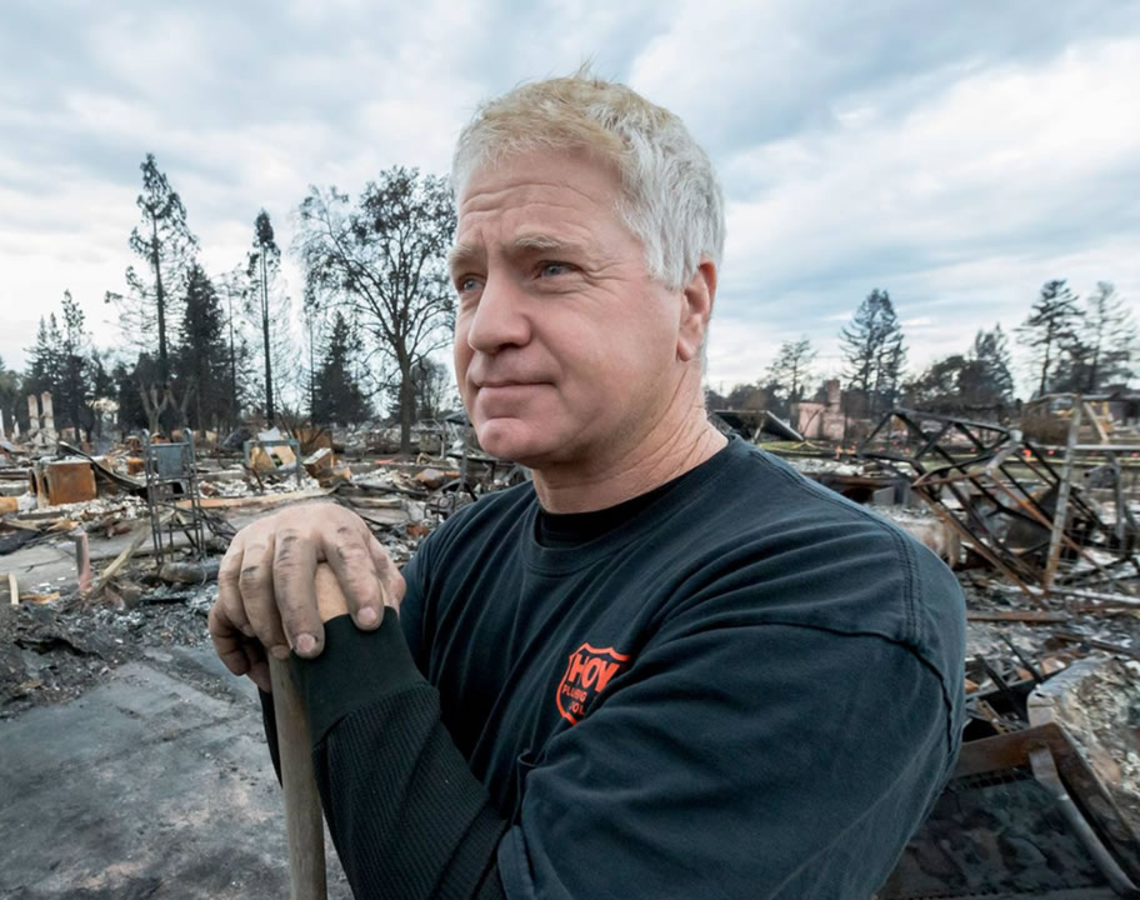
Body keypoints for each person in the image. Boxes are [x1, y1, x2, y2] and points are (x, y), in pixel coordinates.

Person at [209, 72, 964, 899]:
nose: (485, 328)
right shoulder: (469, 546)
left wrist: (339, 637)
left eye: (552, 267)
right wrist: (294, 570)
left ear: (690, 307)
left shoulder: (835, 603)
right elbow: (370, 799)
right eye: (469, 281)